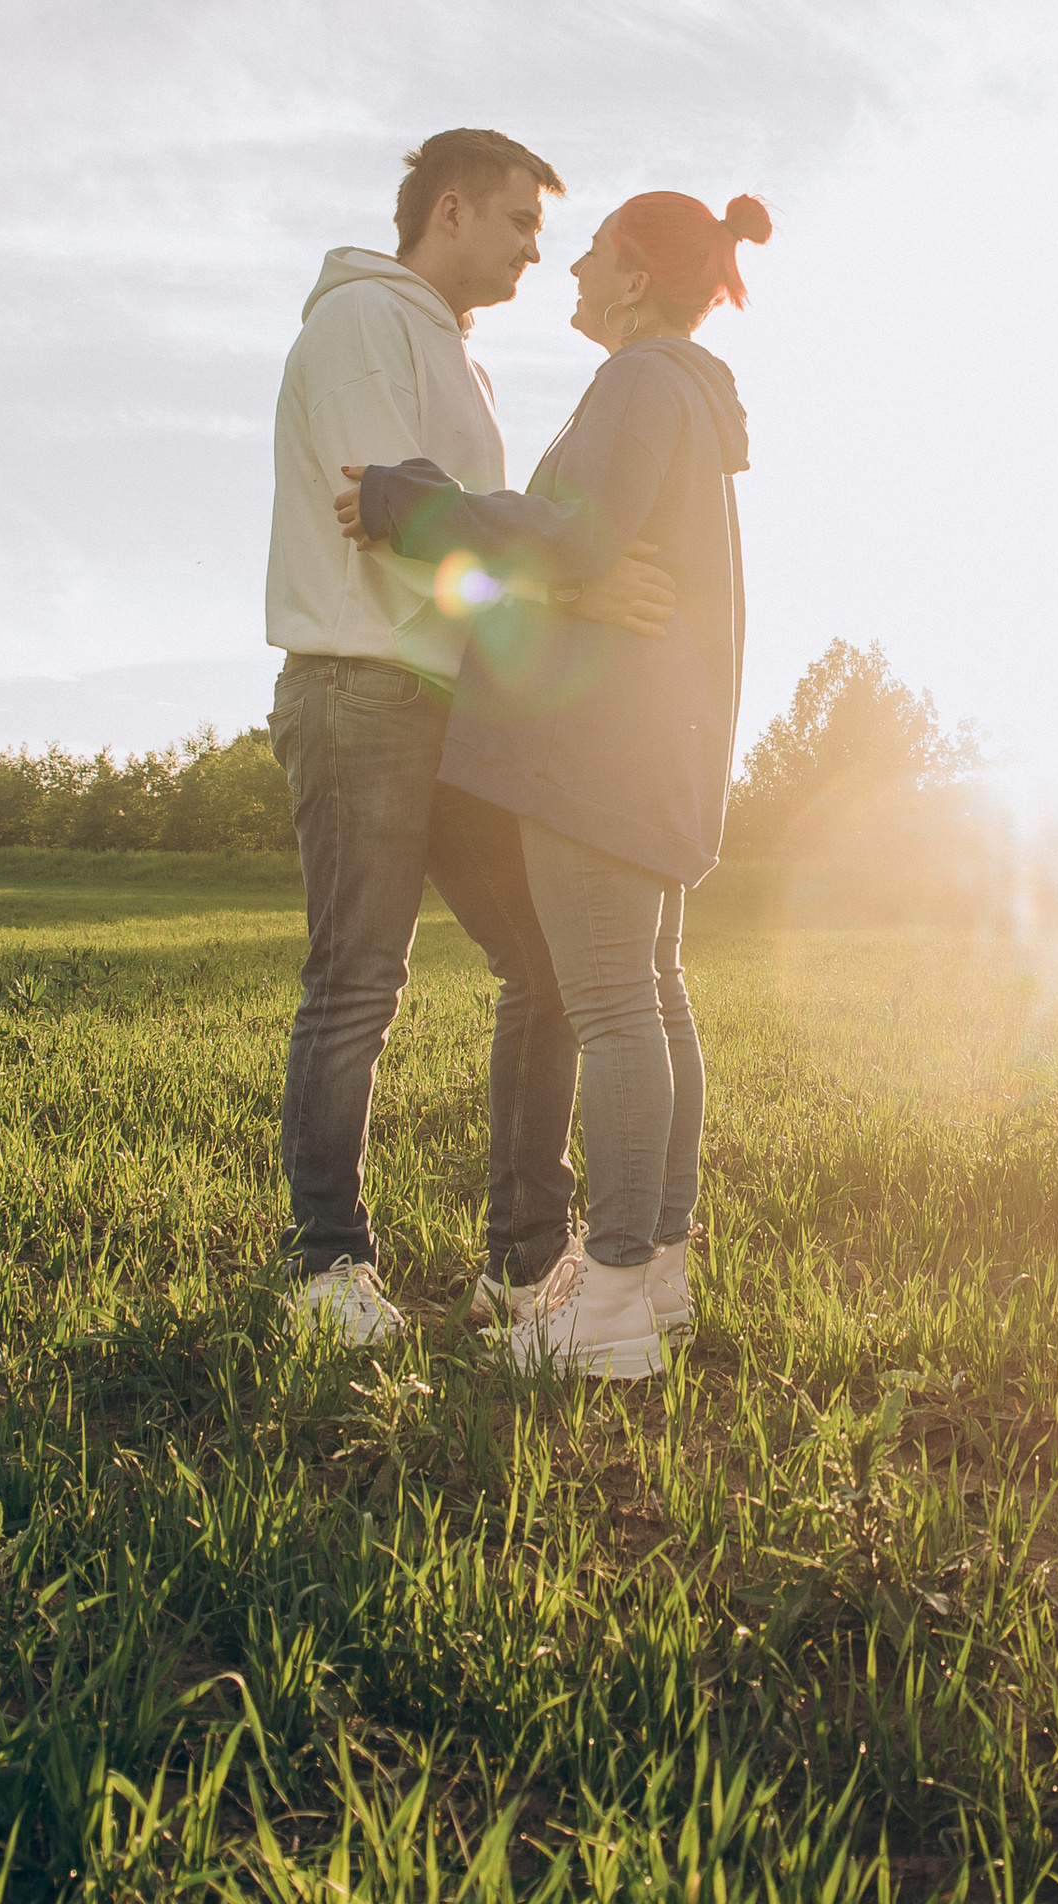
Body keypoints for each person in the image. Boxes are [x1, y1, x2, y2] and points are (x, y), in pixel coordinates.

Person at [335, 187, 771, 1378]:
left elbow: (572, 536)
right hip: (658, 737)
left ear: (633, 277)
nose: (568, 271)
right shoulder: (686, 388)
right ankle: (656, 1276)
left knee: (615, 1003)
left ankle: (614, 1294)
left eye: (588, 253)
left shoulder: (639, 381)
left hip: (600, 741)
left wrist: (407, 504)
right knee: (653, 994)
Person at [266, 129, 676, 1347]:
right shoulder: (359, 326)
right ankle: (323, 1270)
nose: (534, 256)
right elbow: (385, 521)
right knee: (358, 982)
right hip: (361, 689)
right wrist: (564, 594)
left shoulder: (459, 360)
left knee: (546, 970)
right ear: (451, 210)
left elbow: (465, 526)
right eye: (519, 228)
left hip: (450, 704)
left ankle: (519, 1259)